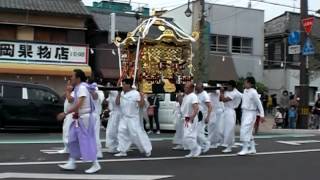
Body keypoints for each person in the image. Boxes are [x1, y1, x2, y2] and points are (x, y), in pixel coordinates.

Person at [57, 69, 100, 174]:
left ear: (78, 78)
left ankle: (95, 164)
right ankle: (72, 162)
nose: (70, 78)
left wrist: (65, 113)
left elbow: (79, 104)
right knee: (72, 139)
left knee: (86, 141)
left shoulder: (82, 88)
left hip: (85, 118)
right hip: (79, 117)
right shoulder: (78, 88)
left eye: (72, 76)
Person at [115, 79, 152, 157]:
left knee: (137, 134)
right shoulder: (121, 93)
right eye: (123, 84)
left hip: (133, 118)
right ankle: (122, 150)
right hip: (124, 117)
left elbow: (141, 105)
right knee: (121, 133)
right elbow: (117, 103)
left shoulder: (135, 94)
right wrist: (118, 94)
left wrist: (142, 97)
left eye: (124, 84)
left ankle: (147, 149)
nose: (123, 86)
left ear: (129, 85)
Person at [238, 76, 265, 156]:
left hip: (251, 113)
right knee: (248, 132)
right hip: (244, 112)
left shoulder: (253, 92)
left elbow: (259, 103)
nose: (244, 83)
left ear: (250, 83)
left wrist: (262, 115)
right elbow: (243, 97)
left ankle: (245, 148)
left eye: (245, 82)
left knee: (244, 130)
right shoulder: (245, 90)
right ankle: (253, 148)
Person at [219, 80, 242, 153]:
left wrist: (222, 92)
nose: (227, 87)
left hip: (231, 111)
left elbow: (224, 100)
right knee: (220, 129)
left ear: (232, 86)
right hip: (224, 111)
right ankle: (228, 142)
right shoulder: (227, 91)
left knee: (229, 130)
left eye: (228, 85)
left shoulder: (235, 93)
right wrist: (221, 92)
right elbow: (220, 99)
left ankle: (229, 146)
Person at [181, 82, 202, 157]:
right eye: (185, 87)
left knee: (187, 135)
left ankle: (197, 148)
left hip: (190, 118)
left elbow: (196, 108)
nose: (184, 88)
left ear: (191, 88)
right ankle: (193, 151)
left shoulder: (193, 96)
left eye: (186, 87)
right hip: (186, 118)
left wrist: (191, 118)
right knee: (189, 135)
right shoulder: (186, 96)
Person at [195, 83, 212, 153]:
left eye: (198, 87)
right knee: (198, 131)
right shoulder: (197, 94)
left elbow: (210, 106)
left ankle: (207, 143)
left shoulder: (205, 95)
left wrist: (208, 117)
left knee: (198, 132)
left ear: (202, 87)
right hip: (198, 114)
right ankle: (201, 145)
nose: (196, 88)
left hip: (202, 115)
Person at [58, 81, 74, 154]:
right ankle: (66, 148)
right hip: (67, 115)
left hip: (72, 115)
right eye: (67, 84)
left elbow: (71, 100)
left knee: (69, 133)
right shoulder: (69, 93)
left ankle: (71, 148)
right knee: (65, 131)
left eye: (69, 84)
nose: (67, 86)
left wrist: (67, 91)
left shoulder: (74, 93)